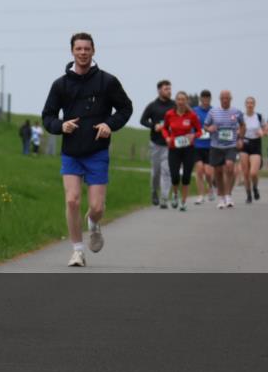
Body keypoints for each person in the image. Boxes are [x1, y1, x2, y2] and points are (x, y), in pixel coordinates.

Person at [42, 32, 133, 267]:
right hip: (71, 152)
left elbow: (125, 108)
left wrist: (109, 125)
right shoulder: (60, 84)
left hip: (97, 151)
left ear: (94, 51)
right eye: (78, 48)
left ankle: (93, 223)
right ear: (72, 51)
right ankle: (77, 250)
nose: (82, 53)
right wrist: (61, 126)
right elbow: (47, 116)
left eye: (87, 49)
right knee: (72, 200)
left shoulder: (107, 81)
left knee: (96, 207)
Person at [160, 90, 202, 211]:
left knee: (186, 177)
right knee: (174, 176)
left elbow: (199, 131)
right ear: (176, 101)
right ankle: (175, 195)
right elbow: (164, 128)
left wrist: (193, 135)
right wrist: (167, 137)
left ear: (187, 101)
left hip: (188, 149)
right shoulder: (169, 114)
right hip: (174, 148)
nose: (181, 102)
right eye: (179, 99)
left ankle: (183, 202)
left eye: (183, 100)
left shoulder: (192, 116)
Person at [204, 90, 246, 210]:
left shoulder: (236, 112)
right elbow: (205, 126)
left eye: (227, 98)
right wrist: (209, 128)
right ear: (220, 99)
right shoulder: (213, 112)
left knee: (229, 166)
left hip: (231, 145)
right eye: (223, 98)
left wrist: (240, 139)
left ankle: (228, 195)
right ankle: (221, 197)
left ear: (230, 99)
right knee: (217, 172)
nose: (225, 100)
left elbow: (243, 125)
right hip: (216, 146)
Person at [140, 80, 176, 208]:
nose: (169, 91)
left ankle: (164, 198)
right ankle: (154, 191)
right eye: (166, 89)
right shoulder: (152, 106)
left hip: (170, 144)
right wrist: (153, 125)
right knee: (156, 172)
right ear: (159, 90)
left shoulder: (174, 106)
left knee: (167, 171)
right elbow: (142, 120)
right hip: (155, 143)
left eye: (170, 89)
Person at [239, 96, 267, 204]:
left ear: (254, 105)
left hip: (255, 144)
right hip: (244, 144)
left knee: (253, 172)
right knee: (245, 173)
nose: (250, 105)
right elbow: (237, 128)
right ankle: (249, 195)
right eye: (248, 103)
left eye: (251, 103)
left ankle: (255, 187)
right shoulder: (241, 117)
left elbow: (266, 128)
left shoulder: (259, 116)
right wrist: (239, 134)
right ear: (245, 105)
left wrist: (263, 133)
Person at [192, 90, 216, 204]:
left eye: (208, 99)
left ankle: (210, 188)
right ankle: (200, 195)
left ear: (210, 99)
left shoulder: (214, 111)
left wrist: (212, 128)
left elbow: (218, 125)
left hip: (210, 145)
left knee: (209, 173)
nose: (205, 101)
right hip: (197, 145)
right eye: (203, 99)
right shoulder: (195, 111)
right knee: (199, 170)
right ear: (200, 99)